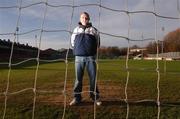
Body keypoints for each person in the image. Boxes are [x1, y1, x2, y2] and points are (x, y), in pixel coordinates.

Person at [70, 12, 101, 106]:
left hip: (91, 57)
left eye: (86, 18)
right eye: (83, 17)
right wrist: (79, 51)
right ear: (80, 19)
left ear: (89, 19)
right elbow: (72, 43)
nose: (84, 19)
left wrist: (91, 51)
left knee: (93, 78)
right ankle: (77, 98)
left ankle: (95, 97)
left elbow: (98, 43)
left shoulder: (93, 30)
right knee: (78, 79)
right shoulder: (75, 30)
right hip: (78, 57)